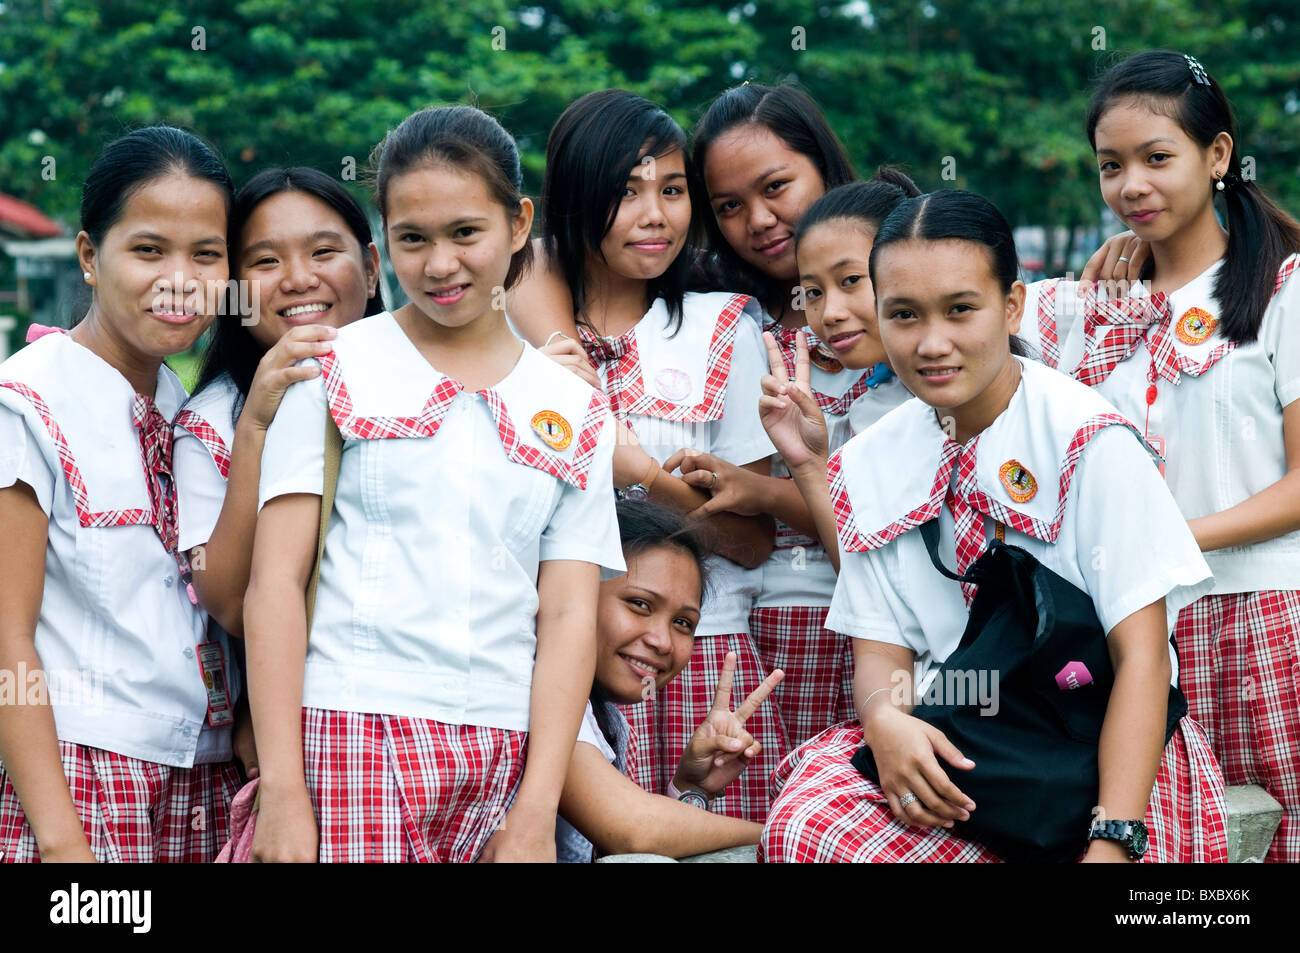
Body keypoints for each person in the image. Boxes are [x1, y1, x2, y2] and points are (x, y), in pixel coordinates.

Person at [760, 189, 1228, 863]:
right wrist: (887, 721)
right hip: (959, 741)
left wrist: (1114, 837)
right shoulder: (867, 465)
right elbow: (881, 660)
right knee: (806, 828)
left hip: (1098, 755)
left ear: (1011, 305)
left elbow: (1144, 660)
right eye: (904, 314)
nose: (932, 343)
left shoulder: (1088, 440)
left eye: (959, 309)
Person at [243, 105, 624, 862]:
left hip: (503, 752)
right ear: (383, 241)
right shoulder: (330, 366)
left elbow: (570, 616)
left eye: (465, 234)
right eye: (412, 239)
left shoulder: (575, 408)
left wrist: (536, 811)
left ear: (519, 223)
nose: (440, 264)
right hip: (351, 732)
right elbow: (274, 583)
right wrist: (285, 789)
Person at [1021, 51, 1300, 864]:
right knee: (1182, 865)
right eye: (1112, 166)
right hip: (1143, 643)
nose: (1131, 184)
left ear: (1218, 156)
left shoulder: (1283, 289)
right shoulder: (1098, 307)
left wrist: (1168, 532)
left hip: (1269, 619)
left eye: (1156, 158)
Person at [512, 88, 784, 823]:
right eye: (626, 192)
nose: (656, 215)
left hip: (694, 662)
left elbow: (752, 539)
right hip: (543, 656)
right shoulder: (514, 329)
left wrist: (646, 478)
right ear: (575, 198)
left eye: (672, 190)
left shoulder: (721, 327)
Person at [0, 126, 241, 862]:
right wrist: (64, 840)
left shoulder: (199, 411)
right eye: (148, 250)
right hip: (84, 781)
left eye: (207, 253)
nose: (180, 277)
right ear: (88, 258)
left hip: (205, 782)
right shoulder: (27, 402)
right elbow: (8, 640)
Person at [174, 168, 384, 780]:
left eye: (324, 251)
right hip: (307, 733)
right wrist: (256, 430)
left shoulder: (435, 388)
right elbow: (232, 605)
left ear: (371, 267)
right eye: (265, 262)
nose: (298, 279)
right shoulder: (212, 421)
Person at [558, 500, 782, 861]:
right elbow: (634, 830)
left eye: (683, 623)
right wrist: (785, 836)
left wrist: (691, 788)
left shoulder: (600, 713)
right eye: (640, 604)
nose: (662, 641)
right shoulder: (536, 685)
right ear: (575, 593)